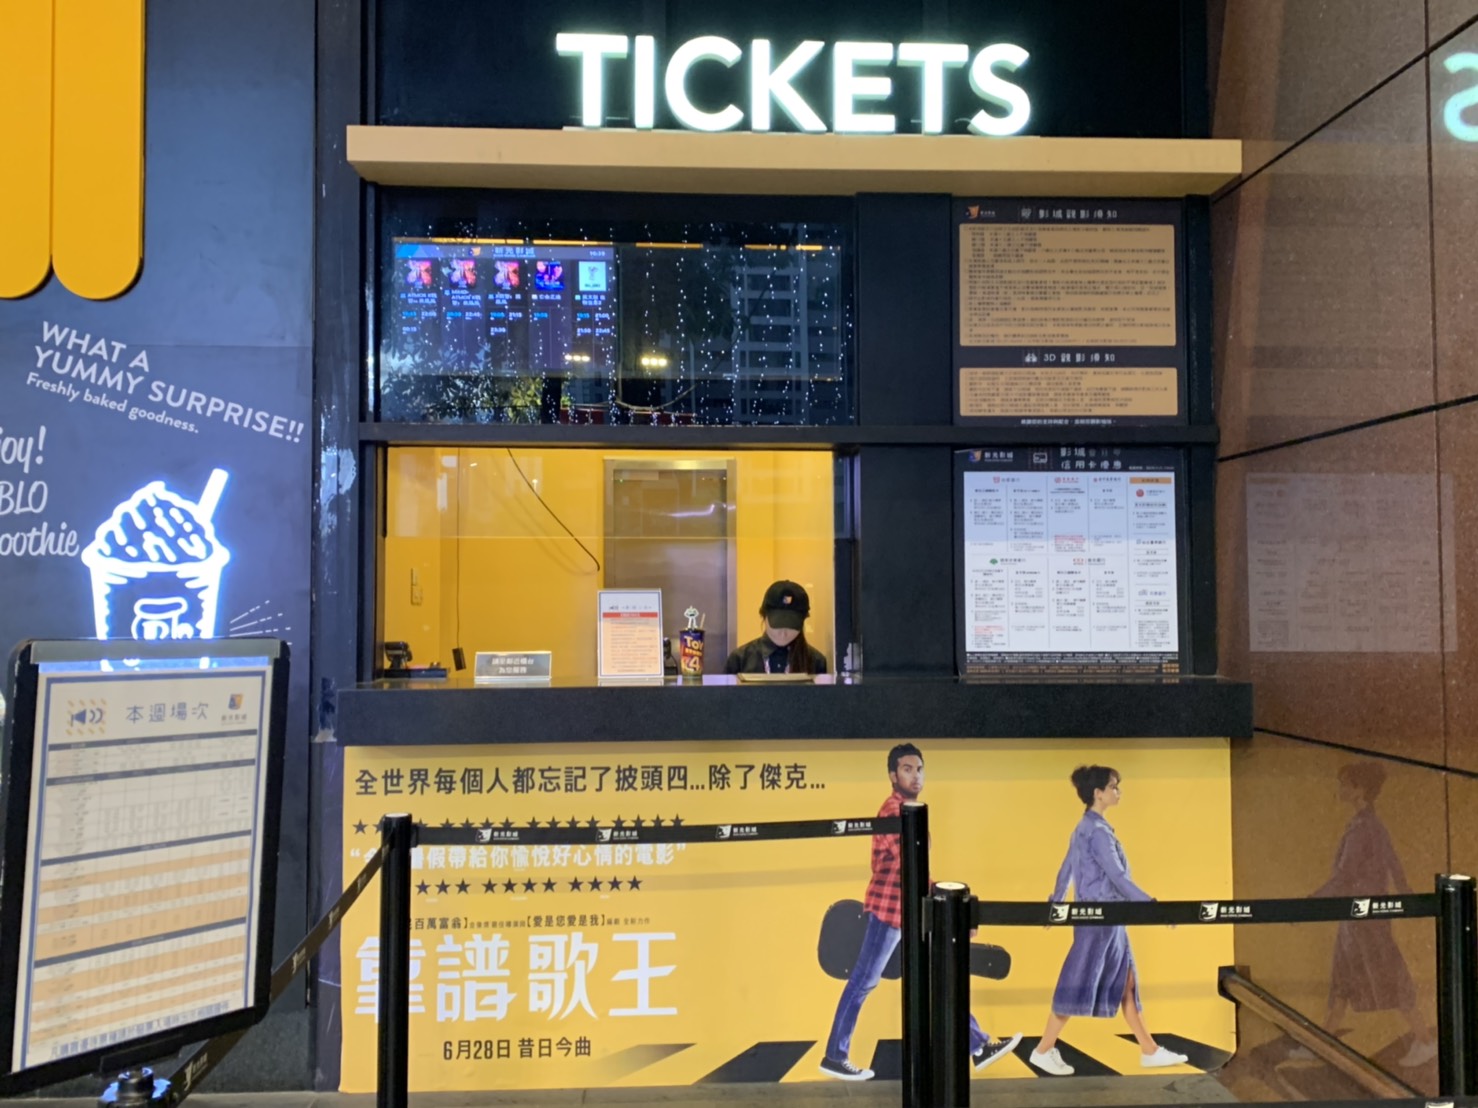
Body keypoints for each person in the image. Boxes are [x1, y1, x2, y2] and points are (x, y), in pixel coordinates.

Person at [820, 743, 1021, 1081]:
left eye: (919, 769)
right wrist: (946, 903)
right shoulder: (893, 812)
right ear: (892, 775)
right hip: (889, 911)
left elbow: (917, 872)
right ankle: (834, 1056)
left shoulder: (909, 810)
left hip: (908, 914)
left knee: (936, 976)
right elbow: (911, 867)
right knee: (864, 982)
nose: (916, 776)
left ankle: (978, 1045)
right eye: (907, 769)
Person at [1029, 765, 1187, 1076]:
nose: (1118, 791)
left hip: (1108, 920)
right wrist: (1154, 908)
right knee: (1075, 982)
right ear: (1098, 793)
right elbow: (1117, 877)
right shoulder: (1098, 833)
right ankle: (1043, 1050)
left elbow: (1066, 870)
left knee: (1126, 983)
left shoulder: (1084, 827)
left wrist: (1055, 903)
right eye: (1114, 787)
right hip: (1101, 921)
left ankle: (1149, 1050)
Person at [1306, 762, 1435, 1068]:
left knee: (1390, 977)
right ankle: (1322, 1043)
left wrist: (1311, 903)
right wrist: (1406, 895)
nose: (1340, 789)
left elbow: (1345, 876)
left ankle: (1425, 1040)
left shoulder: (1363, 829)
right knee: (1342, 982)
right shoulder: (1369, 825)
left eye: (1345, 784)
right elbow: (1394, 865)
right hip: (1358, 919)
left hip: (1366, 921)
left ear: (1360, 790)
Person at [724, 580, 828, 675]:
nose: (783, 633)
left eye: (792, 625)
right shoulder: (739, 660)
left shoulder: (816, 662)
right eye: (777, 624)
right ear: (764, 616)